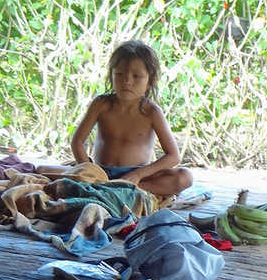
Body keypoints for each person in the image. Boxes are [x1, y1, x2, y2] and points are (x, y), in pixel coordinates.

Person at [70, 40, 192, 199]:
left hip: (137, 176)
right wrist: (89, 170)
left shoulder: (152, 112)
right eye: (119, 74)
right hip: (99, 173)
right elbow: (77, 142)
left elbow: (173, 156)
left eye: (136, 76)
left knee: (184, 177)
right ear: (111, 75)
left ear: (150, 81)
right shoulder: (101, 104)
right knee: (46, 171)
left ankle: (126, 188)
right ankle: (109, 188)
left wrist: (138, 175)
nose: (127, 81)